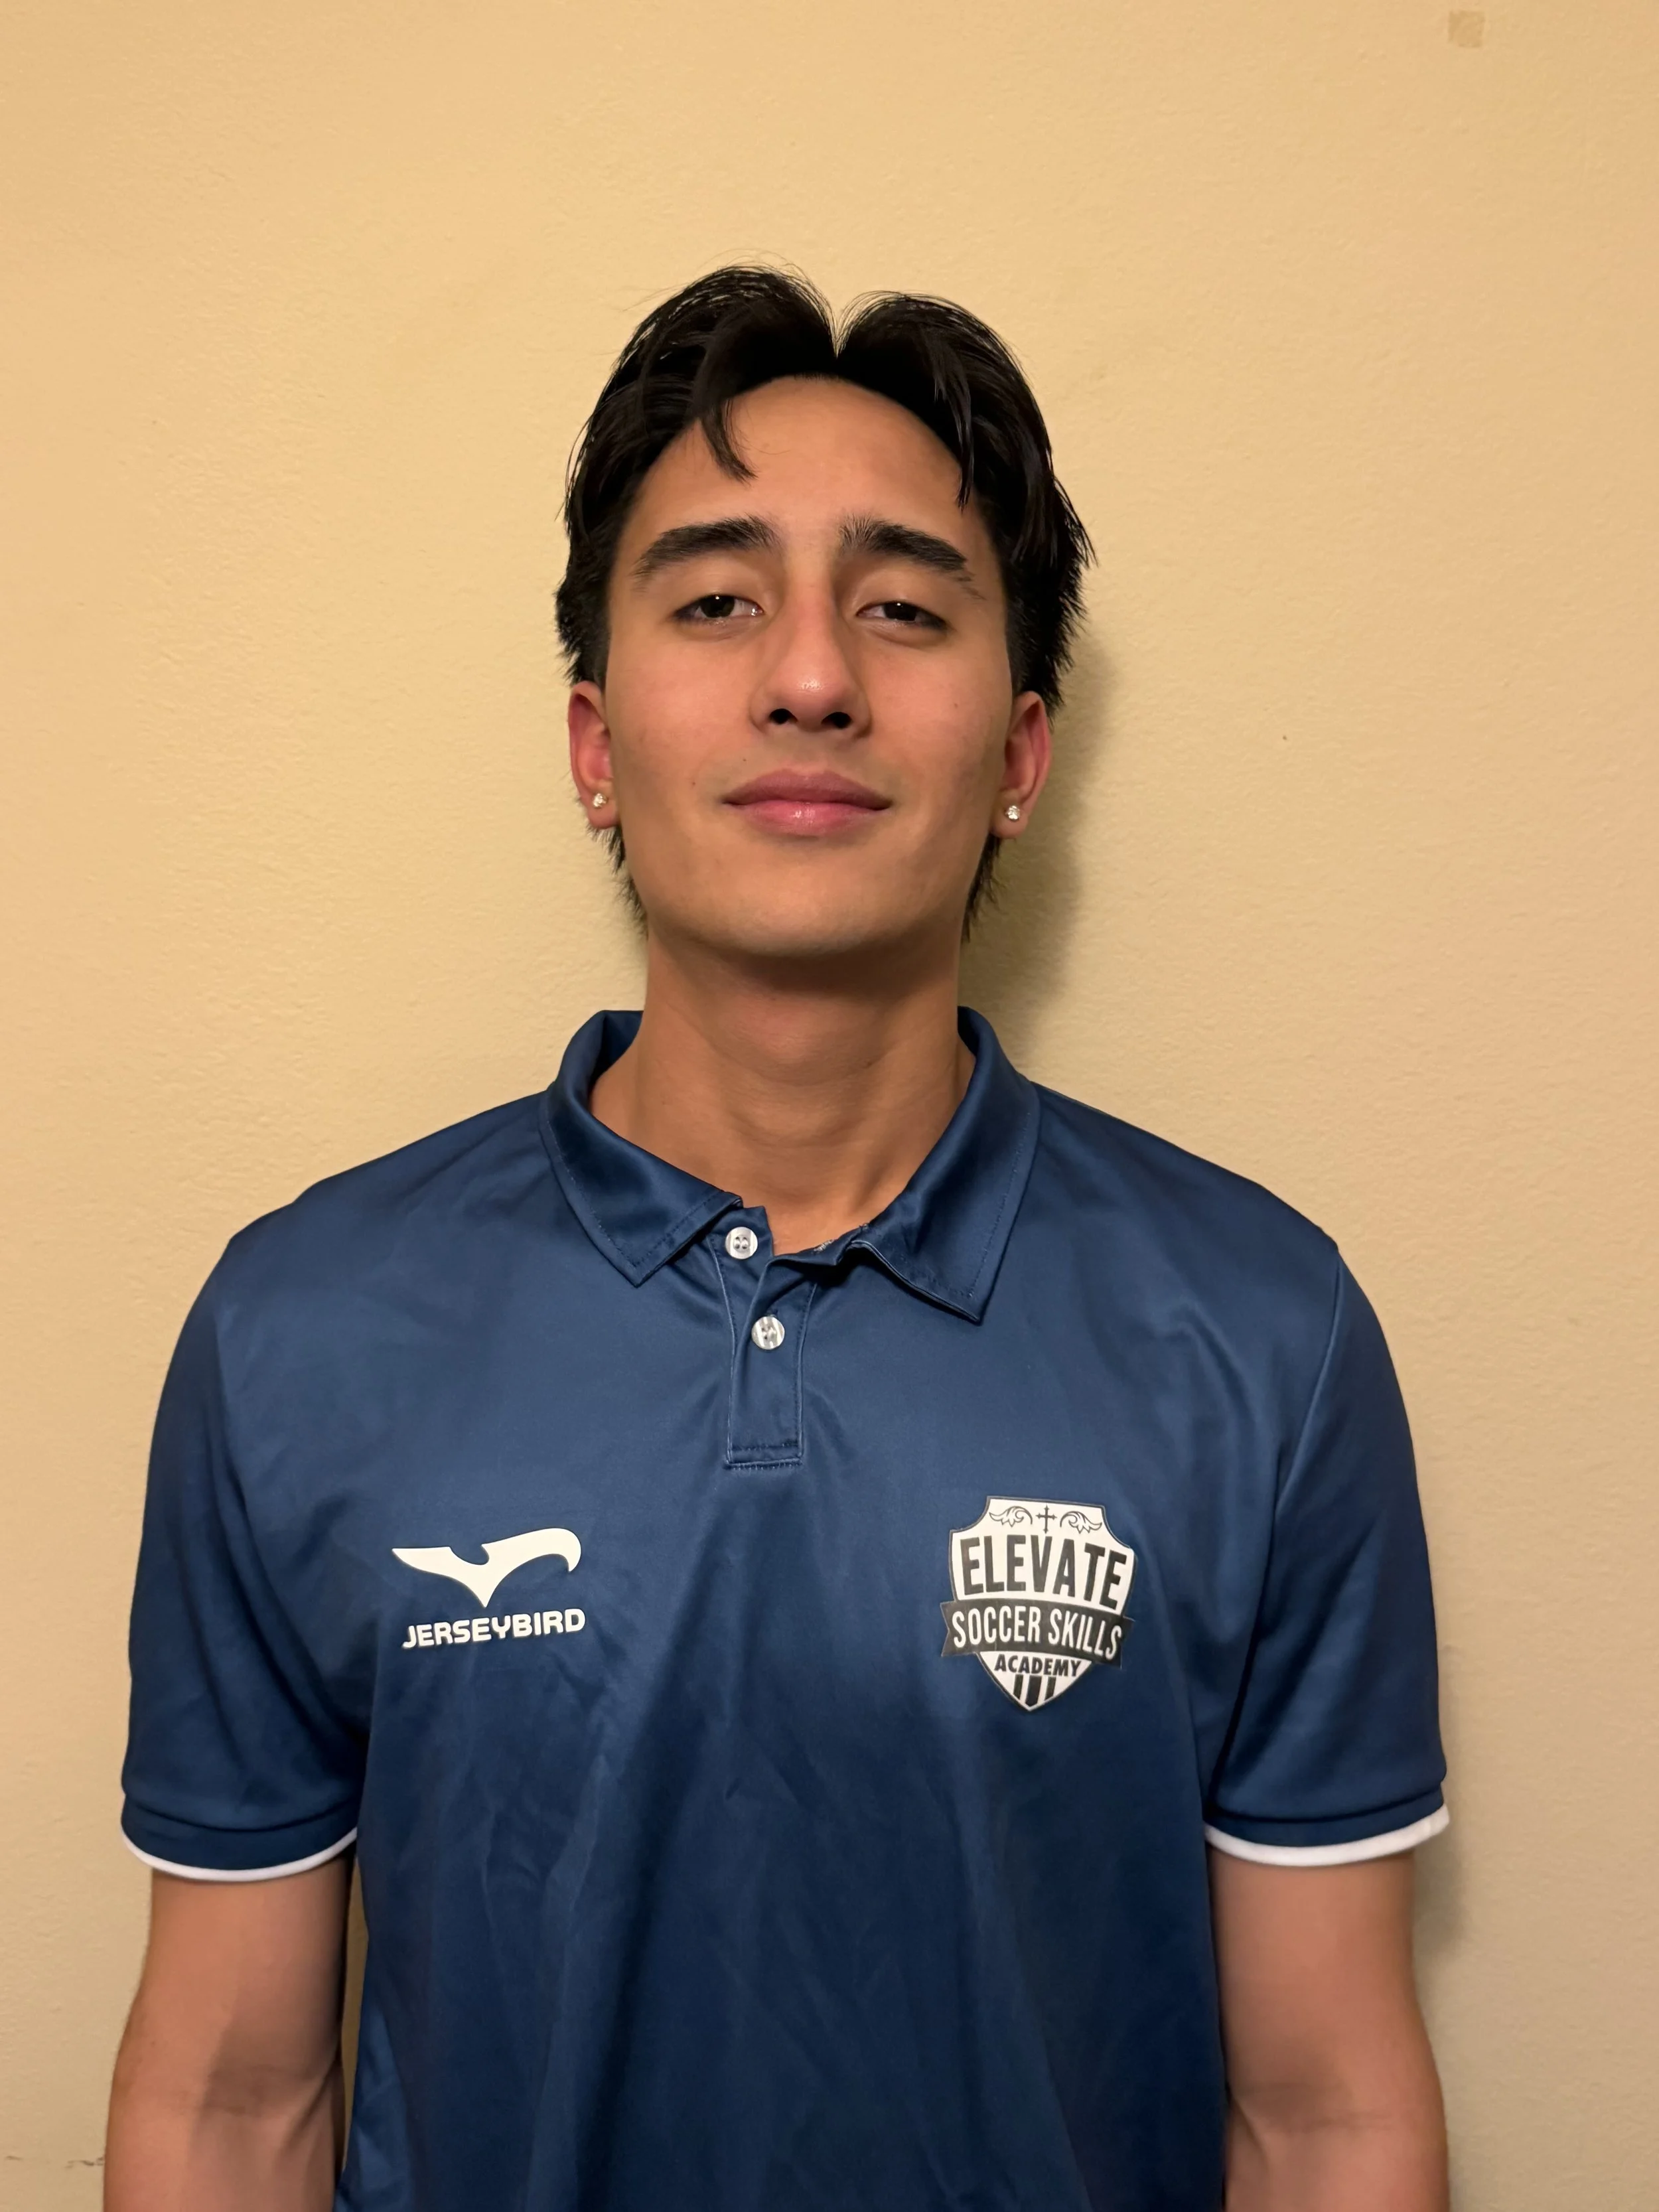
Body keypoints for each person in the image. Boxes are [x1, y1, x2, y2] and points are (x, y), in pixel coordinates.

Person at [106, 267, 1450, 2212]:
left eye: (902, 607)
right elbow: (229, 2103)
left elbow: (1321, 2114)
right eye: (717, 598)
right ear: (592, 740)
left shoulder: (1260, 1335)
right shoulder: (304, 1330)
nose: (809, 676)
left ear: (1015, 750)